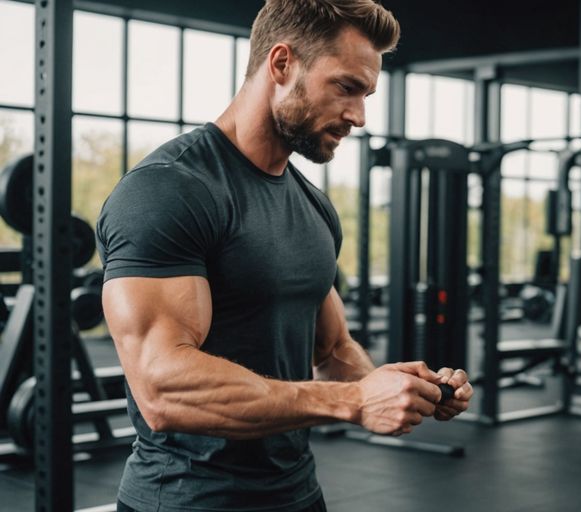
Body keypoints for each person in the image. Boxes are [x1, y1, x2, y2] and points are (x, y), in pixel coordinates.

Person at [97, 1, 473, 511]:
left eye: (366, 95)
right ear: (281, 65)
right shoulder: (170, 190)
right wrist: (354, 401)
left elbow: (333, 348)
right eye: (346, 87)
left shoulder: (313, 206)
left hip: (297, 495)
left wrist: (401, 387)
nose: (359, 117)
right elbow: (163, 389)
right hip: (187, 501)